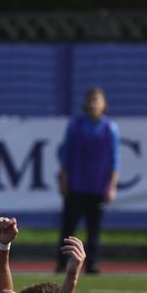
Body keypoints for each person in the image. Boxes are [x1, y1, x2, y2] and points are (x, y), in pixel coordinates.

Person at [57, 87, 119, 274]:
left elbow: (115, 160)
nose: (93, 104)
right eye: (91, 100)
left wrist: (111, 187)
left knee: (94, 229)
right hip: (76, 185)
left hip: (97, 187)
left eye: (97, 100)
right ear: (86, 104)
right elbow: (65, 155)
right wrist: (63, 179)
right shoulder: (75, 126)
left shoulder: (110, 129)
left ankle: (92, 264)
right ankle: (61, 264)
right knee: (68, 228)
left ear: (104, 105)